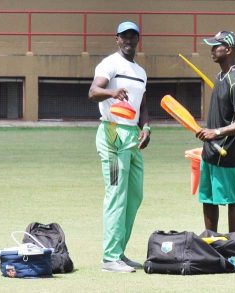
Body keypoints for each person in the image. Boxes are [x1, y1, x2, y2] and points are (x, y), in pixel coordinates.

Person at [88, 21, 150, 273]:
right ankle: (109, 257)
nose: (128, 40)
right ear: (117, 39)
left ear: (138, 40)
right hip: (112, 135)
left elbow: (143, 104)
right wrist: (112, 93)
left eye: (132, 36)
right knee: (116, 194)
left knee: (134, 196)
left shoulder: (141, 72)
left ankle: (119, 253)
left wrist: (146, 127)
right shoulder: (109, 64)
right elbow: (94, 91)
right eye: (124, 36)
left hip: (132, 138)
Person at [196, 31, 235, 233]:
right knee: (208, 198)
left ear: (228, 50)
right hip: (210, 151)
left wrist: (216, 132)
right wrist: (207, 134)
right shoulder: (221, 76)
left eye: (216, 46)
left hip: (226, 151)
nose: (212, 50)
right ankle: (212, 242)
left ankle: (234, 243)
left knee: (233, 198)